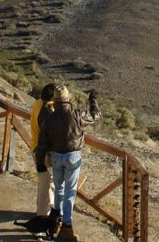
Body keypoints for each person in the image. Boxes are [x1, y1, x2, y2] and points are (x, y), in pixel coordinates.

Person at [36, 85, 101, 241]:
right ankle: (67, 225)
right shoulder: (77, 114)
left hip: (56, 157)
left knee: (59, 188)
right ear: (68, 100)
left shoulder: (49, 117)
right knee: (70, 192)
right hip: (73, 157)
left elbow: (42, 142)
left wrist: (40, 161)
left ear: (56, 101)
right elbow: (95, 115)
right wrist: (93, 100)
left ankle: (56, 217)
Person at [30, 83, 57, 219]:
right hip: (44, 152)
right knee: (48, 185)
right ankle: (43, 217)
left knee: (43, 182)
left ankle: (42, 211)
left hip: (35, 147)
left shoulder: (37, 103)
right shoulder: (48, 111)